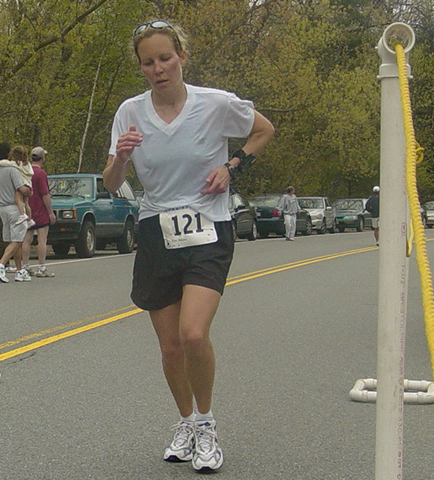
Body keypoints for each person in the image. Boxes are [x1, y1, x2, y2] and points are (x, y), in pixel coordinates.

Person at [103, 20, 274, 472]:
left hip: (208, 227)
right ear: (141, 67)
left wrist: (232, 167)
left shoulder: (214, 103)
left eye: (165, 58)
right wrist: (122, 157)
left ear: (181, 56)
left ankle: (207, 423)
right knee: (170, 347)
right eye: (148, 62)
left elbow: (263, 130)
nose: (158, 69)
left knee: (193, 333)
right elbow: (112, 182)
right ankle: (186, 423)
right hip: (156, 230)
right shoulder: (130, 112)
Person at [0, 145, 33, 283]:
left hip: (2, 208)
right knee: (18, 240)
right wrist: (29, 191)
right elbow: (21, 189)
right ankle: (0, 264)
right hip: (14, 207)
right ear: (9, 154)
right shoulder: (13, 170)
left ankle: (19, 271)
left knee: (12, 240)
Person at [20, 146, 57, 278]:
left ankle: (25, 266)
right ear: (42, 158)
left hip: (27, 208)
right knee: (42, 239)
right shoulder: (41, 173)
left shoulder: (25, 171)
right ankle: (41, 267)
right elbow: (45, 194)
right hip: (40, 209)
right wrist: (50, 212)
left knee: (27, 239)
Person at [0, 146, 35, 227]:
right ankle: (30, 219)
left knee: (17, 199)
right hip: (29, 185)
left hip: (23, 185)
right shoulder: (27, 164)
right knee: (26, 203)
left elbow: (4, 163)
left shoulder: (16, 164)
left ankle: (22, 214)